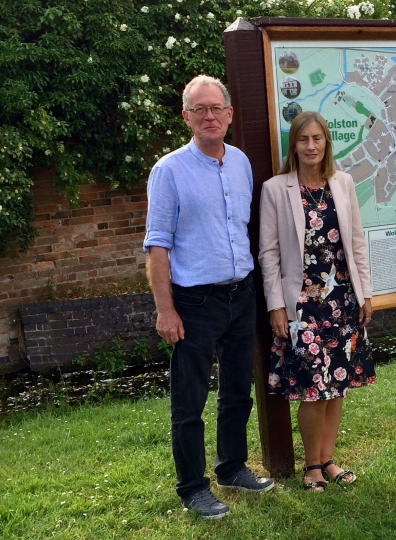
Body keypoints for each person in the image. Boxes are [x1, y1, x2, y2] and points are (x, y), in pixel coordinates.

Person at [144, 75, 274, 519]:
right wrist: (165, 310)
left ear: (230, 114)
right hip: (194, 302)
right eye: (199, 109)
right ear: (186, 118)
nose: (209, 116)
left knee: (238, 389)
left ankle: (232, 466)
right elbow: (157, 245)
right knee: (190, 400)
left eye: (216, 107)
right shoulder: (168, 171)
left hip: (242, 293)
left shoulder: (240, 162)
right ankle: (192, 487)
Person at [259, 111, 376, 492]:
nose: (311, 146)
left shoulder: (341, 183)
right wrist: (276, 306)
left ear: (327, 143)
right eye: (303, 139)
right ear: (293, 145)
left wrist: (366, 293)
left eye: (318, 139)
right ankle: (310, 466)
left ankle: (328, 459)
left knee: (337, 383)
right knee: (313, 385)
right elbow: (269, 253)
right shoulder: (276, 189)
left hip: (341, 301)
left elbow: (356, 242)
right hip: (302, 306)